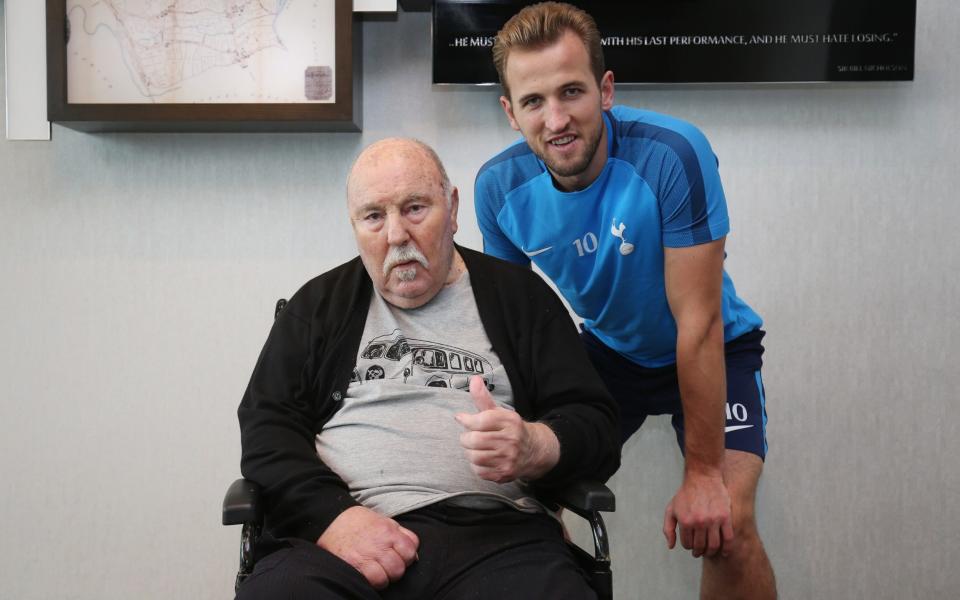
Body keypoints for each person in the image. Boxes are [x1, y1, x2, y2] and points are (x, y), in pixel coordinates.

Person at [474, 3, 776, 598]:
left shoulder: (673, 154)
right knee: (525, 505)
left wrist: (704, 473)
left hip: (715, 346)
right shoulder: (499, 189)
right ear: (511, 112)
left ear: (605, 90)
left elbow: (699, 321)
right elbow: (513, 335)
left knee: (725, 525)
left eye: (571, 92)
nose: (556, 118)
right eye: (534, 101)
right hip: (610, 356)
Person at [236, 138, 620, 599]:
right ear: (354, 225)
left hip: (499, 540)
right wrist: (334, 519)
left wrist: (536, 445)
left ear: (452, 208)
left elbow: (594, 422)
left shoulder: (522, 299)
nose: (396, 235)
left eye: (415, 208)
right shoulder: (318, 307)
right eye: (374, 216)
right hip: (342, 540)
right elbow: (266, 431)